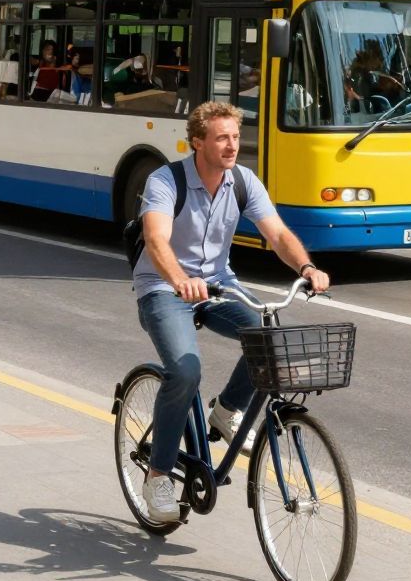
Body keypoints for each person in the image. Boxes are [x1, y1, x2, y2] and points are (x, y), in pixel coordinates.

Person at [135, 101, 330, 525]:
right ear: (197, 141)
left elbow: (276, 232)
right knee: (185, 372)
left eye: (236, 137)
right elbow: (156, 239)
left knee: (269, 340)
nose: (231, 146)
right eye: (221, 138)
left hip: (218, 285)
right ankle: (158, 477)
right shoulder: (165, 180)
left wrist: (306, 267)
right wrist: (179, 279)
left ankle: (225, 410)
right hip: (164, 288)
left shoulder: (242, 181)